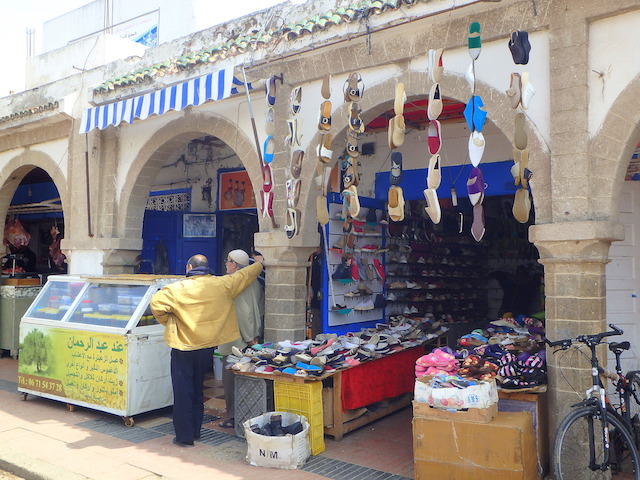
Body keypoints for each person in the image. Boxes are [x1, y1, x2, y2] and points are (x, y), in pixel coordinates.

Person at [150, 253, 263, 447]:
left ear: (189, 268)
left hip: (183, 346)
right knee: (197, 387)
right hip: (207, 346)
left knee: (183, 390)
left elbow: (156, 305)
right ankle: (196, 430)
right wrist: (260, 263)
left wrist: (171, 322)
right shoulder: (222, 284)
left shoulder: (176, 289)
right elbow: (245, 274)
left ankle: (185, 436)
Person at [216, 249, 265, 429]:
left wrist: (250, 337)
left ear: (234, 264)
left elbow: (243, 313)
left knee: (230, 381)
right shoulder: (254, 282)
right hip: (251, 338)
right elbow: (259, 309)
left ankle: (233, 417)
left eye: (227, 261)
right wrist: (255, 335)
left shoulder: (234, 283)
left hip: (237, 340)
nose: (225, 264)